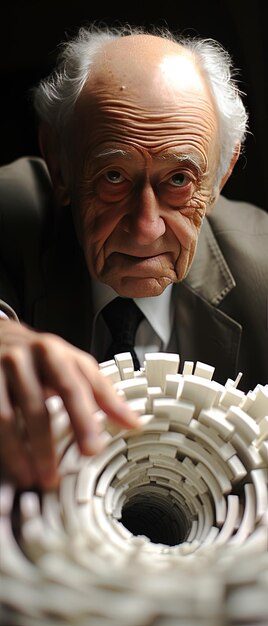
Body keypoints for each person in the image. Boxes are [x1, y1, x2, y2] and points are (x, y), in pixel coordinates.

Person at [0, 24, 267, 490]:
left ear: (221, 174)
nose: (146, 227)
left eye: (179, 180)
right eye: (113, 176)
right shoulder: (10, 206)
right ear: (58, 164)